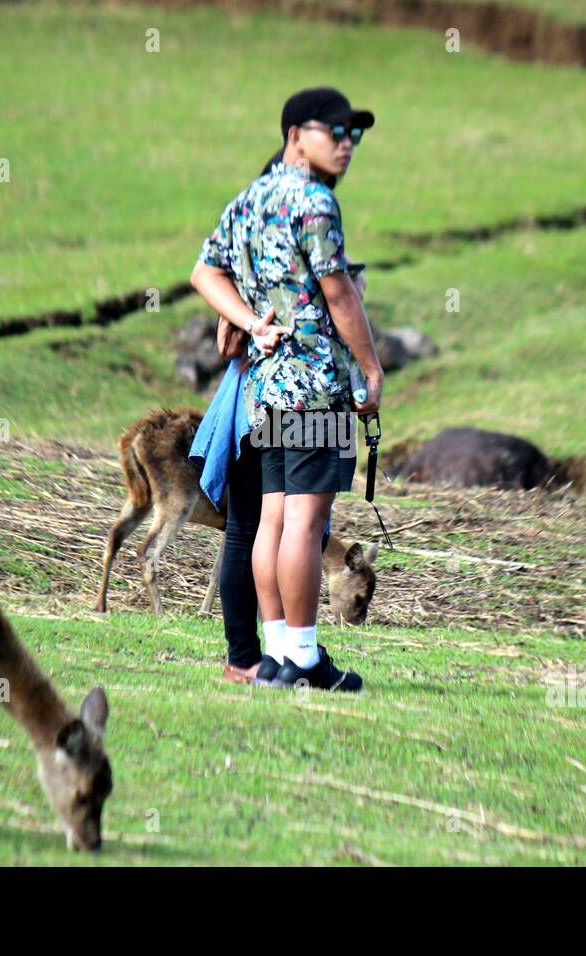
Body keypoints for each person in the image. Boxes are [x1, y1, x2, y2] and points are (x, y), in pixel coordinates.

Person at [189, 87, 383, 691]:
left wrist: (250, 324)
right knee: (304, 524)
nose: (347, 144)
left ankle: (274, 656)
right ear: (296, 135)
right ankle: (300, 657)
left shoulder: (248, 200)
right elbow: (338, 292)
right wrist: (371, 368)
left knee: (272, 520)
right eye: (336, 131)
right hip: (318, 386)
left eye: (355, 134)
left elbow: (204, 271)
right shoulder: (314, 201)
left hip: (267, 388)